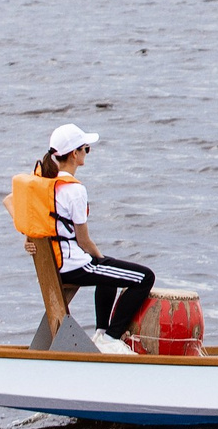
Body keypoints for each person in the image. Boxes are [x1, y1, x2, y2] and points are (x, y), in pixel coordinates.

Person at [34, 123, 155, 350]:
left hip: (57, 263)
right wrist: (99, 258)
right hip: (73, 265)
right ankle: (111, 337)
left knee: (105, 272)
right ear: (74, 154)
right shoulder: (74, 190)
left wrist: (30, 241)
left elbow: (12, 201)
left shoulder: (42, 183)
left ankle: (101, 333)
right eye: (86, 149)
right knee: (145, 277)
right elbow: (83, 241)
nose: (86, 153)